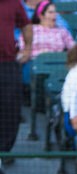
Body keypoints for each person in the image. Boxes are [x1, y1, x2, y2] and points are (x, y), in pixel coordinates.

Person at [0, 0, 32, 158]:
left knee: (10, 110)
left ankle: (4, 152)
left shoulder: (13, 3)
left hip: (8, 64)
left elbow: (26, 25)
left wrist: (28, 48)